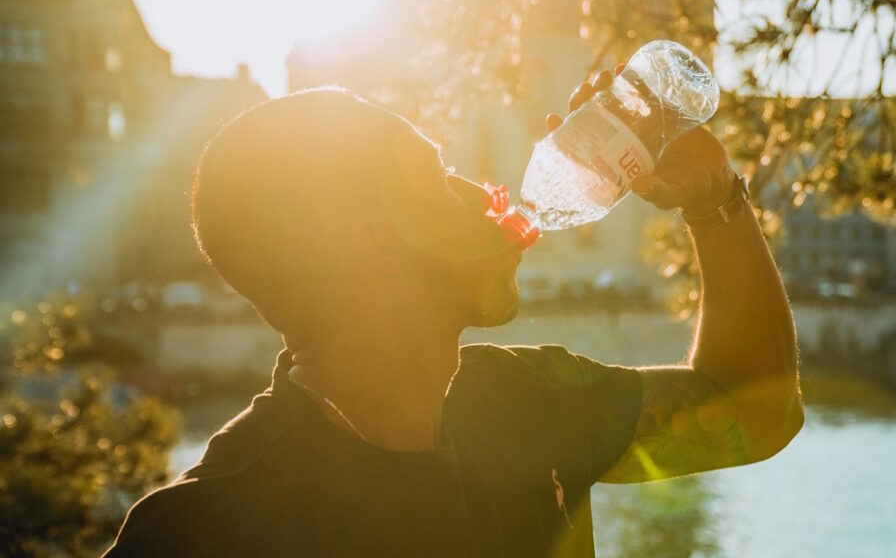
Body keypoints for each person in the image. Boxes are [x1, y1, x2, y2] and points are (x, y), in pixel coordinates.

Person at [104, 69, 803, 557]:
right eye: (439, 180)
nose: (484, 191)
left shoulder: (529, 401)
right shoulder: (198, 534)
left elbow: (756, 410)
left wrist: (714, 203)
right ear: (373, 244)